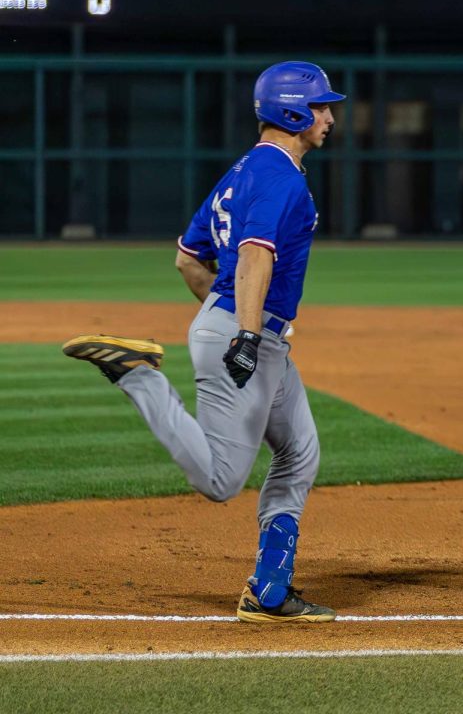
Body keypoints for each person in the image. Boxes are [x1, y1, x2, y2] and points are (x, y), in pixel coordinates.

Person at [62, 61, 344, 623]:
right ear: (292, 111)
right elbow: (256, 254)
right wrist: (240, 334)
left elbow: (189, 259)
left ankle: (268, 591)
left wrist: (226, 323)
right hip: (246, 336)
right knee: (221, 480)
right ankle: (138, 375)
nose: (330, 117)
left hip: (245, 331)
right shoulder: (280, 175)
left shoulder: (243, 170)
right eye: (320, 106)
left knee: (299, 450)